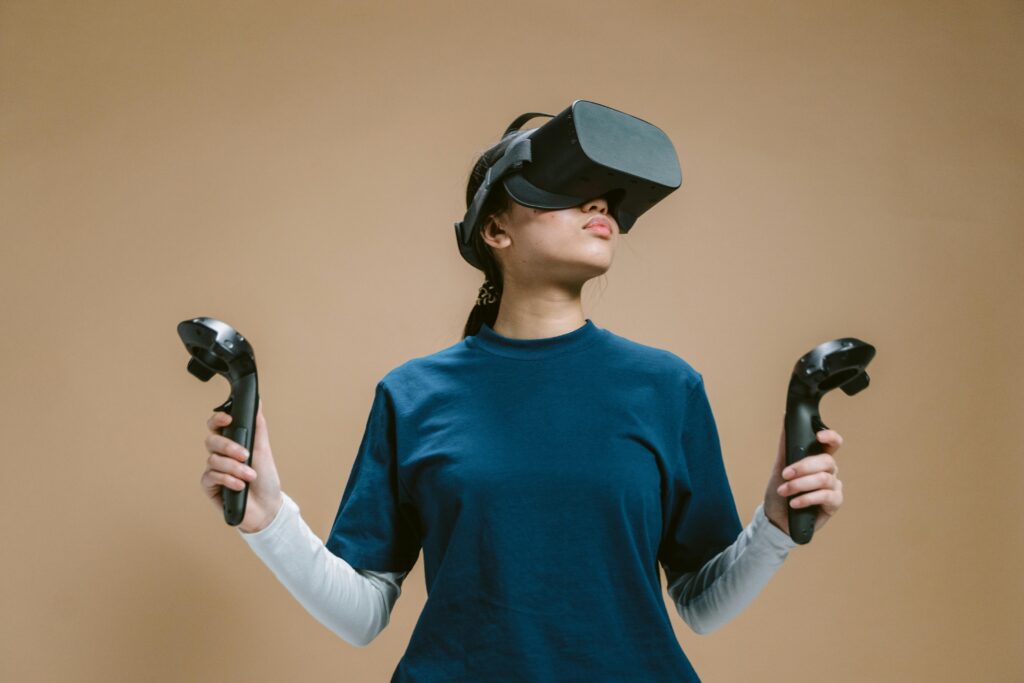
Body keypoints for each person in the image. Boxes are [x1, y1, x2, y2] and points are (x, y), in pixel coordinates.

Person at [199, 123, 846, 682]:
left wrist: (775, 524)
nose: (599, 202)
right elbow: (362, 613)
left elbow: (702, 603)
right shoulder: (412, 394)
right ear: (495, 228)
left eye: (607, 193)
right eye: (567, 185)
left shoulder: (667, 387)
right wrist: (269, 520)